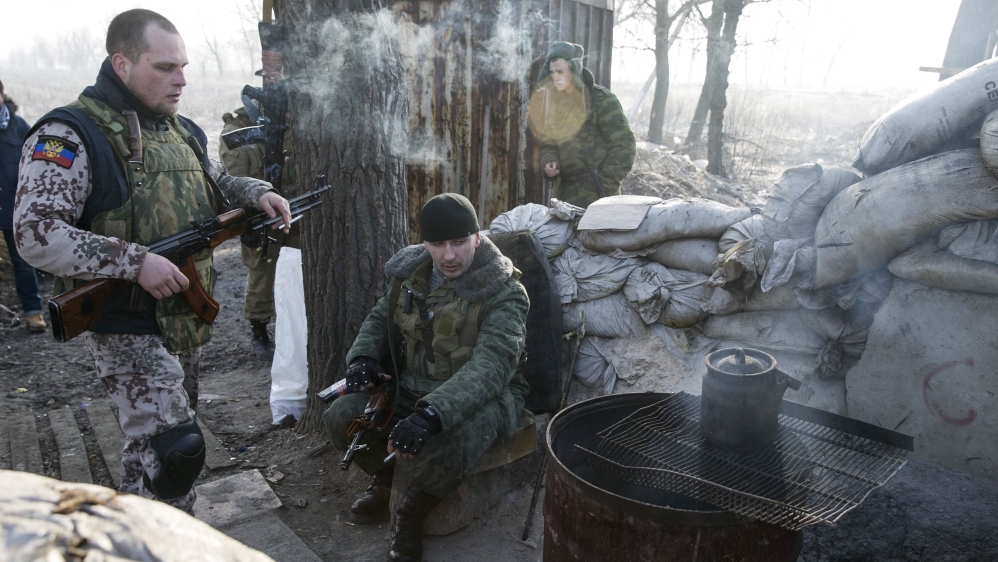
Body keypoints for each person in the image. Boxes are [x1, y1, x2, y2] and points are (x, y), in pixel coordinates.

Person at [13, 9, 291, 514]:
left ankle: (130, 534)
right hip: (126, 326)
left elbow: (216, 182)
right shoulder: (71, 133)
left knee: (150, 452)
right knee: (177, 452)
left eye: (183, 66)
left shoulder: (180, 129)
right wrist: (134, 261)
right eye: (164, 67)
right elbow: (35, 233)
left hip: (181, 317)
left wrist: (258, 193)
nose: (181, 79)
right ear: (121, 63)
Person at [323, 193, 530, 562]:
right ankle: (387, 481)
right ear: (425, 244)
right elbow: (378, 319)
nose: (449, 255)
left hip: (483, 397)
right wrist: (364, 359)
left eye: (459, 242)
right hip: (410, 385)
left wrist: (432, 414)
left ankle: (412, 513)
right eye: (438, 244)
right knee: (342, 419)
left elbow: (492, 367)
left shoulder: (505, 291)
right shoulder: (410, 276)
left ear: (477, 238)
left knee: (443, 445)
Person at [528, 41, 636, 208]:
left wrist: (604, 183)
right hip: (565, 198)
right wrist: (549, 162)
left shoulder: (602, 100)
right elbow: (549, 143)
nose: (555, 77)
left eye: (560, 71)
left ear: (574, 70)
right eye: (552, 72)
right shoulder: (555, 103)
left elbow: (624, 147)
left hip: (600, 198)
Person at [219, 99, 276, 360]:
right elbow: (231, 180)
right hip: (257, 213)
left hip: (290, 209)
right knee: (261, 272)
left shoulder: (293, 121)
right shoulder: (240, 126)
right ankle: (259, 330)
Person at [0, 80, 46, 333]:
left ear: (2, 95)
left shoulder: (20, 128)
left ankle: (33, 312)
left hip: (12, 207)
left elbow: (36, 165)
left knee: (22, 262)